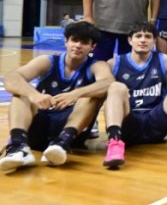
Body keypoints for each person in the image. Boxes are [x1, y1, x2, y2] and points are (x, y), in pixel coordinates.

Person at [1, 22, 114, 173]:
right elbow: (11, 78)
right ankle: (18, 146)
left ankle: (62, 142)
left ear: (92, 47)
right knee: (20, 94)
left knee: (91, 95)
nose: (78, 45)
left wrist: (76, 94)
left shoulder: (97, 65)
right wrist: (34, 95)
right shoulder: (48, 61)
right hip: (40, 124)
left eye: (84, 42)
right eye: (74, 40)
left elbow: (109, 83)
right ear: (66, 41)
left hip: (71, 130)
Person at [101, 22, 167, 168]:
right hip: (129, 123)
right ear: (130, 40)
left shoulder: (164, 60)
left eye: (148, 36)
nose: (143, 40)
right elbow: (107, 99)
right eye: (138, 36)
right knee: (115, 87)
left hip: (156, 121)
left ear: (154, 41)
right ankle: (114, 141)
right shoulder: (114, 63)